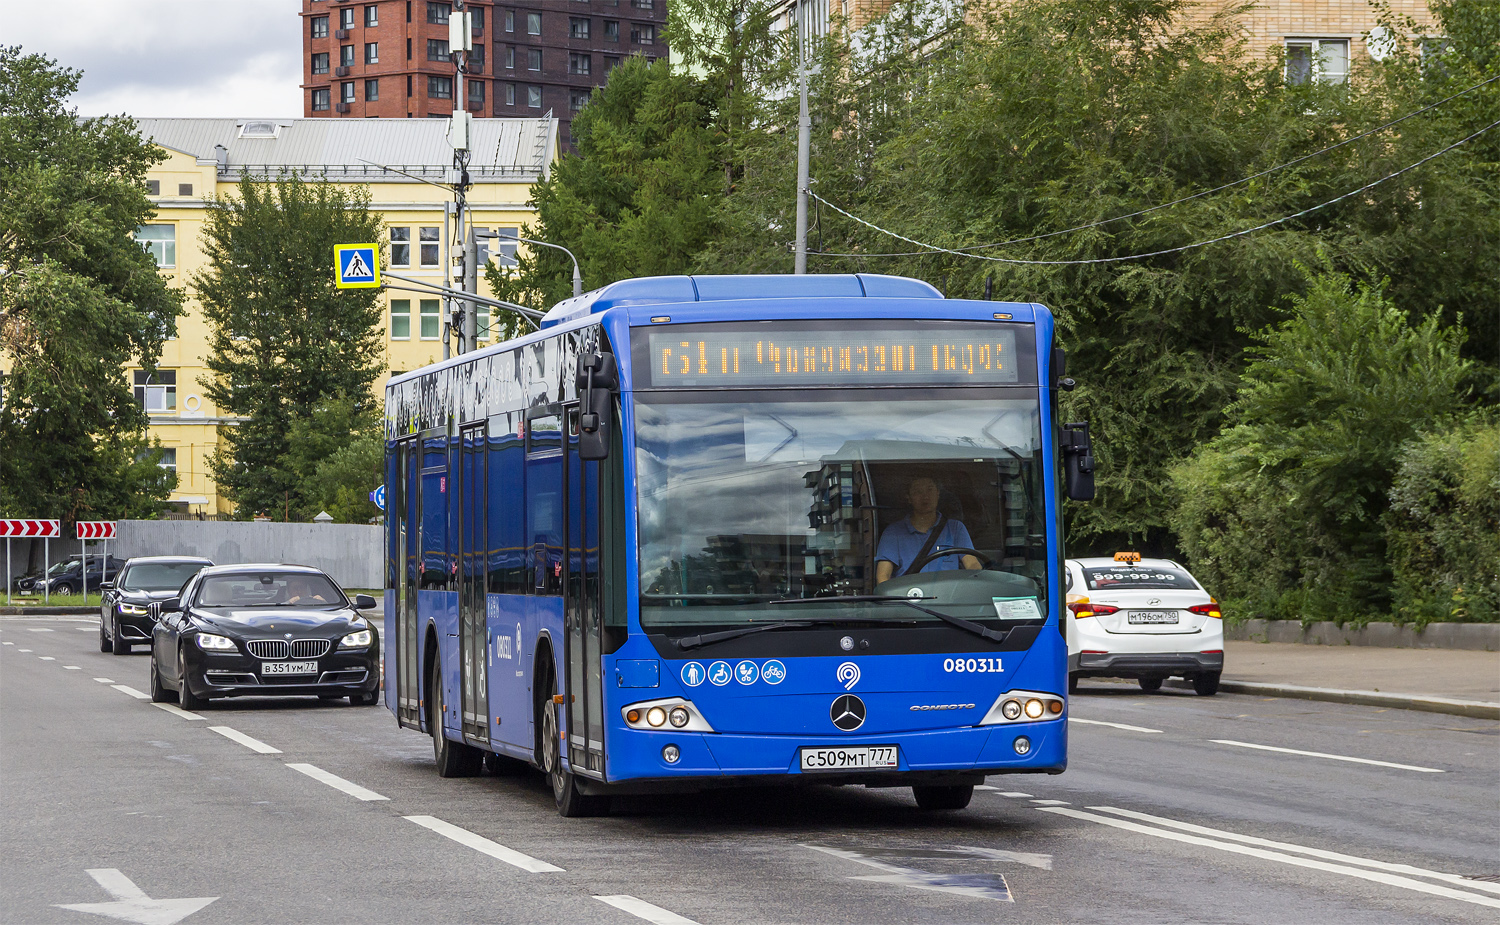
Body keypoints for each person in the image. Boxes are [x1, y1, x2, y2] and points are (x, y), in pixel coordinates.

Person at [875, 476, 983, 582]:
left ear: (938, 493)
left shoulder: (955, 528)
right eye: (918, 492)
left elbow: (973, 565)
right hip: (908, 596)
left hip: (949, 596)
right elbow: (883, 577)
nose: (925, 497)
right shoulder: (893, 532)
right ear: (908, 498)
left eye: (930, 490)